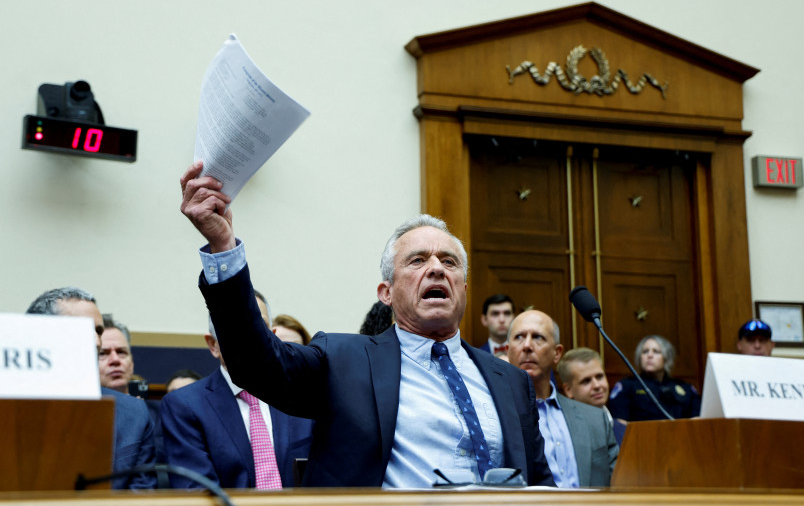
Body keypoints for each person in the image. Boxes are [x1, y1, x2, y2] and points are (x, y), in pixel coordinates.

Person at [179, 160, 553, 488]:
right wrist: (223, 247)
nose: (437, 268)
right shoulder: (344, 362)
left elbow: (541, 484)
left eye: (449, 262)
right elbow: (253, 364)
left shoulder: (511, 382)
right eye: (418, 260)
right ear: (386, 293)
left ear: (464, 289)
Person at [26, 287, 157, 490]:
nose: (96, 342)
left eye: (98, 331)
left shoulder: (134, 415)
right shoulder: (10, 406)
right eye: (84, 329)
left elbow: (141, 495)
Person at [161, 319, 313, 489]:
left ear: (272, 337)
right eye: (233, 329)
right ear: (213, 345)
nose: (247, 338)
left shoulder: (305, 396)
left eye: (256, 327)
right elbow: (195, 491)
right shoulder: (186, 405)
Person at [507, 311, 618, 488]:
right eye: (519, 337)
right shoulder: (495, 416)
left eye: (538, 337)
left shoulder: (595, 419)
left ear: (557, 353)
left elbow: (617, 483)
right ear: (508, 351)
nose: (527, 345)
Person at [608, 335, 701, 423]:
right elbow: (619, 423)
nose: (649, 355)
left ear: (666, 358)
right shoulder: (627, 386)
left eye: (656, 351)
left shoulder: (685, 388)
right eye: (645, 351)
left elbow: (697, 420)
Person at [557, 348, 626, 445]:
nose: (597, 385)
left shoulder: (625, 431)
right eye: (586, 381)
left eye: (599, 376)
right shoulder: (563, 436)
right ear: (568, 390)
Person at [98, 318, 135, 394]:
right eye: (103, 354)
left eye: (121, 352)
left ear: (131, 364)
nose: (115, 360)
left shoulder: (146, 405)